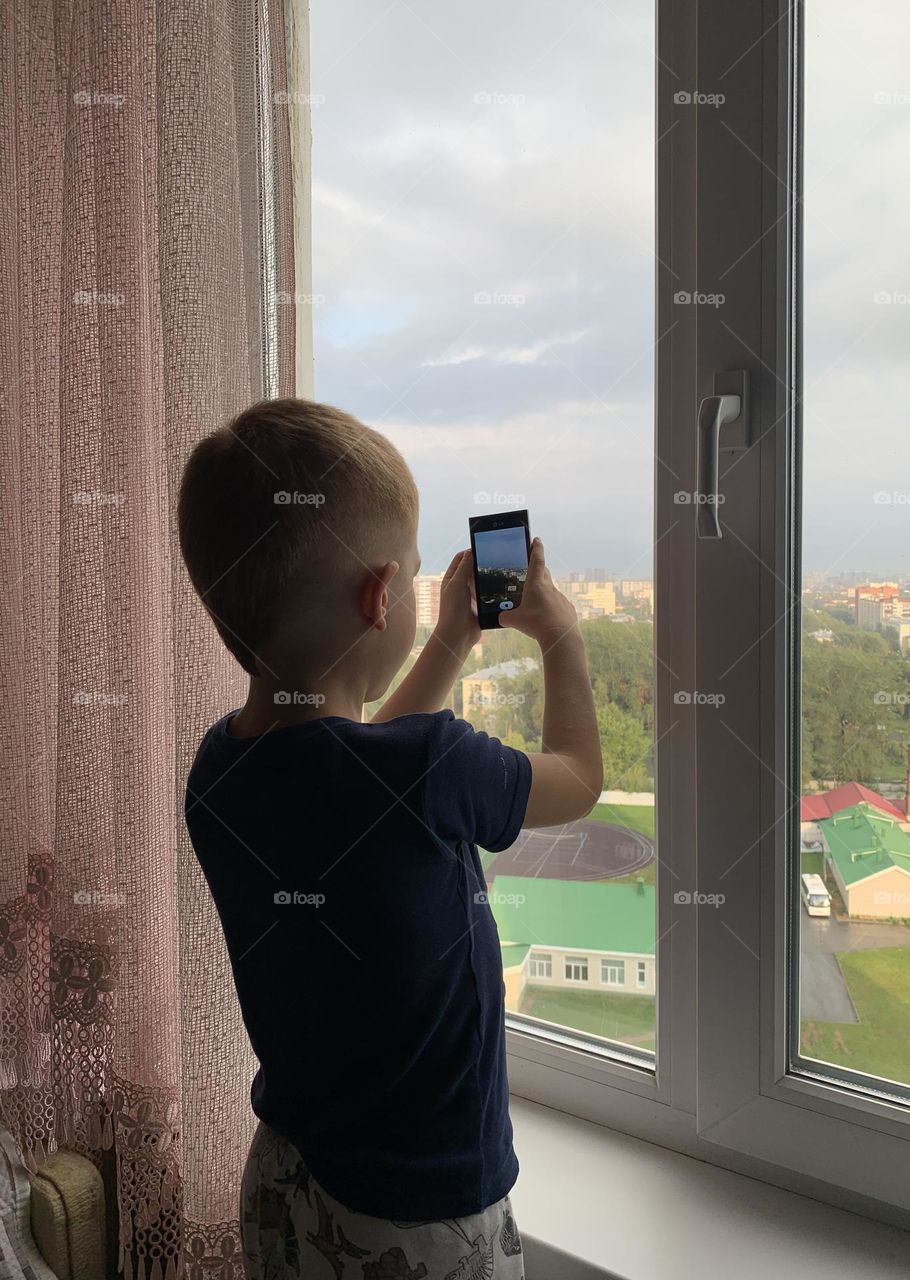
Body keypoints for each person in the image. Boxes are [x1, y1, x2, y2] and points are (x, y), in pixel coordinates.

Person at [177, 398, 603, 1279]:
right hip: (419, 1219)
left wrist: (448, 634)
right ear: (379, 598)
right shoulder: (430, 768)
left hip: (286, 1177)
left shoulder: (217, 775)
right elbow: (578, 777)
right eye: (409, 577)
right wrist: (560, 636)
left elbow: (367, 776)